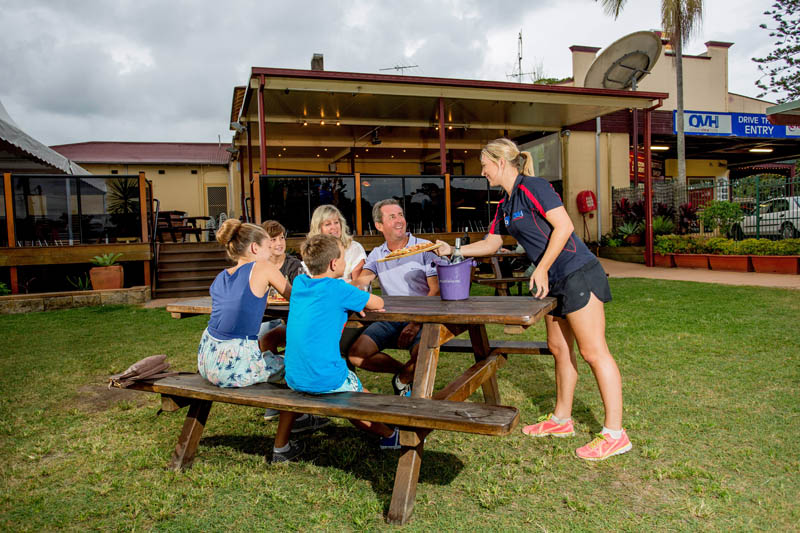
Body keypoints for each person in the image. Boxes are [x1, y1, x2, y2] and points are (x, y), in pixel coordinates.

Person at [435, 138, 630, 461]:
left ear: (500, 163)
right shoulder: (505, 204)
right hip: (552, 280)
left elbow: (564, 226)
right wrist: (454, 250)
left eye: (484, 165)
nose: (482, 172)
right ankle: (561, 419)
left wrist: (541, 267)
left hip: (578, 272)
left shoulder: (534, 187)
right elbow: (492, 243)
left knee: (593, 352)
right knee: (558, 349)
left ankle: (615, 434)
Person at [197, 219, 328, 463]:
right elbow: (296, 297)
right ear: (255, 249)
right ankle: (282, 446)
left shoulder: (221, 276)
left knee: (276, 354)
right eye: (269, 245)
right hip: (234, 363)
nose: (273, 250)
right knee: (298, 368)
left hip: (208, 359)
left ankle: (296, 417)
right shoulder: (264, 268)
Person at [284, 234, 400, 449]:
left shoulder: (300, 283)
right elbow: (378, 302)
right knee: (360, 400)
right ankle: (390, 435)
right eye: (344, 257)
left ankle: (389, 427)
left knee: (355, 394)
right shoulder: (338, 289)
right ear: (334, 263)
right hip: (324, 377)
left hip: (294, 375)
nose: (346, 261)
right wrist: (356, 301)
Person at [349, 199, 440, 396]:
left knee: (423, 356)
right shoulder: (377, 254)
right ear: (379, 226)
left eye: (400, 215)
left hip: (423, 316)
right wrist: (337, 286)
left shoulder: (425, 248)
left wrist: (416, 322)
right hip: (391, 317)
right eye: (392, 217)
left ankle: (405, 380)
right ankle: (402, 375)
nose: (399, 220)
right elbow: (363, 280)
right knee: (356, 355)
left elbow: (435, 291)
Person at [258, 220, 308, 421]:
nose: (279, 243)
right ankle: (272, 397)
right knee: (263, 336)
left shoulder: (294, 265)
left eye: (282, 238)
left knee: (266, 337)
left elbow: (299, 297)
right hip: (267, 317)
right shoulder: (259, 267)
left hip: (290, 319)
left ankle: (287, 395)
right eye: (273, 239)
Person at [307, 205, 366, 283]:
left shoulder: (354, 248)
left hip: (348, 293)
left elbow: (360, 285)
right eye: (328, 224)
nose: (334, 227)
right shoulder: (312, 250)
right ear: (318, 228)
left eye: (336, 222)